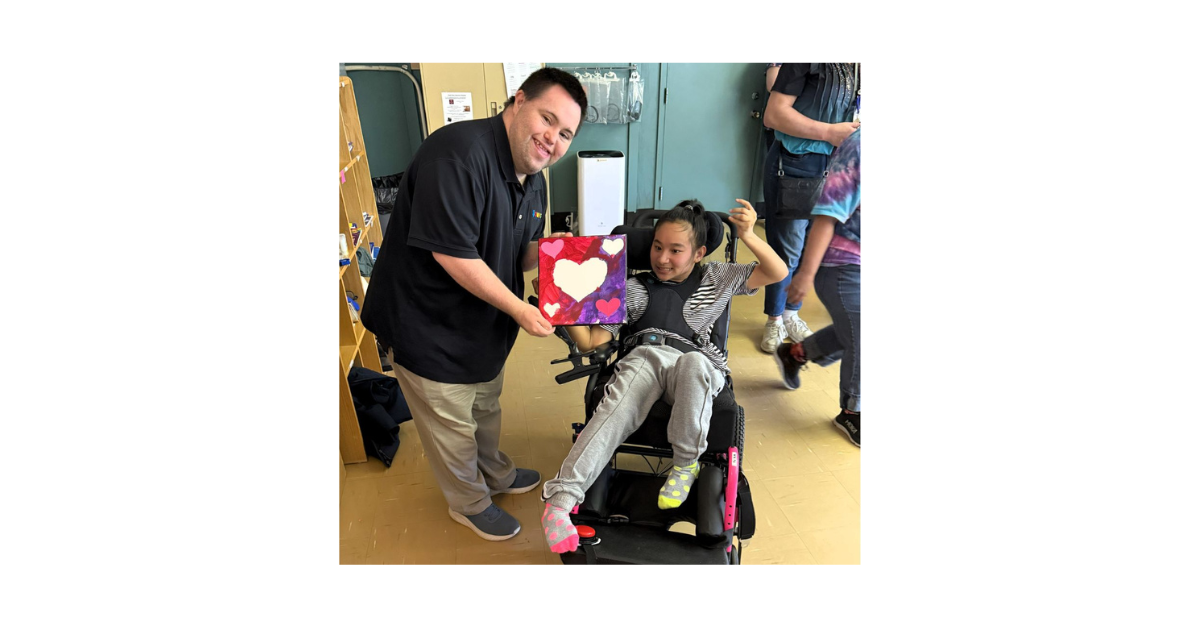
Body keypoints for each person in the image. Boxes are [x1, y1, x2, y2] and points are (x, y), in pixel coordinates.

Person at [360, 68, 586, 541]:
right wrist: (521, 310)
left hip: (481, 327)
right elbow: (454, 254)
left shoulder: (534, 179)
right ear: (518, 101)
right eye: (547, 119)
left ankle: (496, 473)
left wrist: (558, 253)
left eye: (565, 133)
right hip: (427, 326)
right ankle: (469, 502)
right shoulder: (457, 156)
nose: (553, 139)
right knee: (451, 425)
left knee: (485, 406)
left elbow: (516, 252)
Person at [538, 199, 788, 554]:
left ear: (699, 253)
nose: (662, 258)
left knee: (693, 364)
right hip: (644, 356)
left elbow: (777, 272)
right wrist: (558, 304)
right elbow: (592, 341)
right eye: (657, 247)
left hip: (695, 361)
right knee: (616, 404)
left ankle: (685, 466)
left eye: (675, 250)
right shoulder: (630, 287)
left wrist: (747, 234)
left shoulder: (716, 277)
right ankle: (559, 503)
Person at [759, 63, 860, 354]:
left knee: (814, 248)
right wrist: (828, 132)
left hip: (841, 166)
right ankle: (775, 318)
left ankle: (792, 313)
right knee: (787, 250)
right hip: (798, 164)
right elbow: (774, 114)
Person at [775, 128, 861, 447]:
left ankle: (797, 353)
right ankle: (852, 411)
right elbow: (827, 215)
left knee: (852, 329)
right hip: (842, 264)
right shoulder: (861, 147)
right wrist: (805, 274)